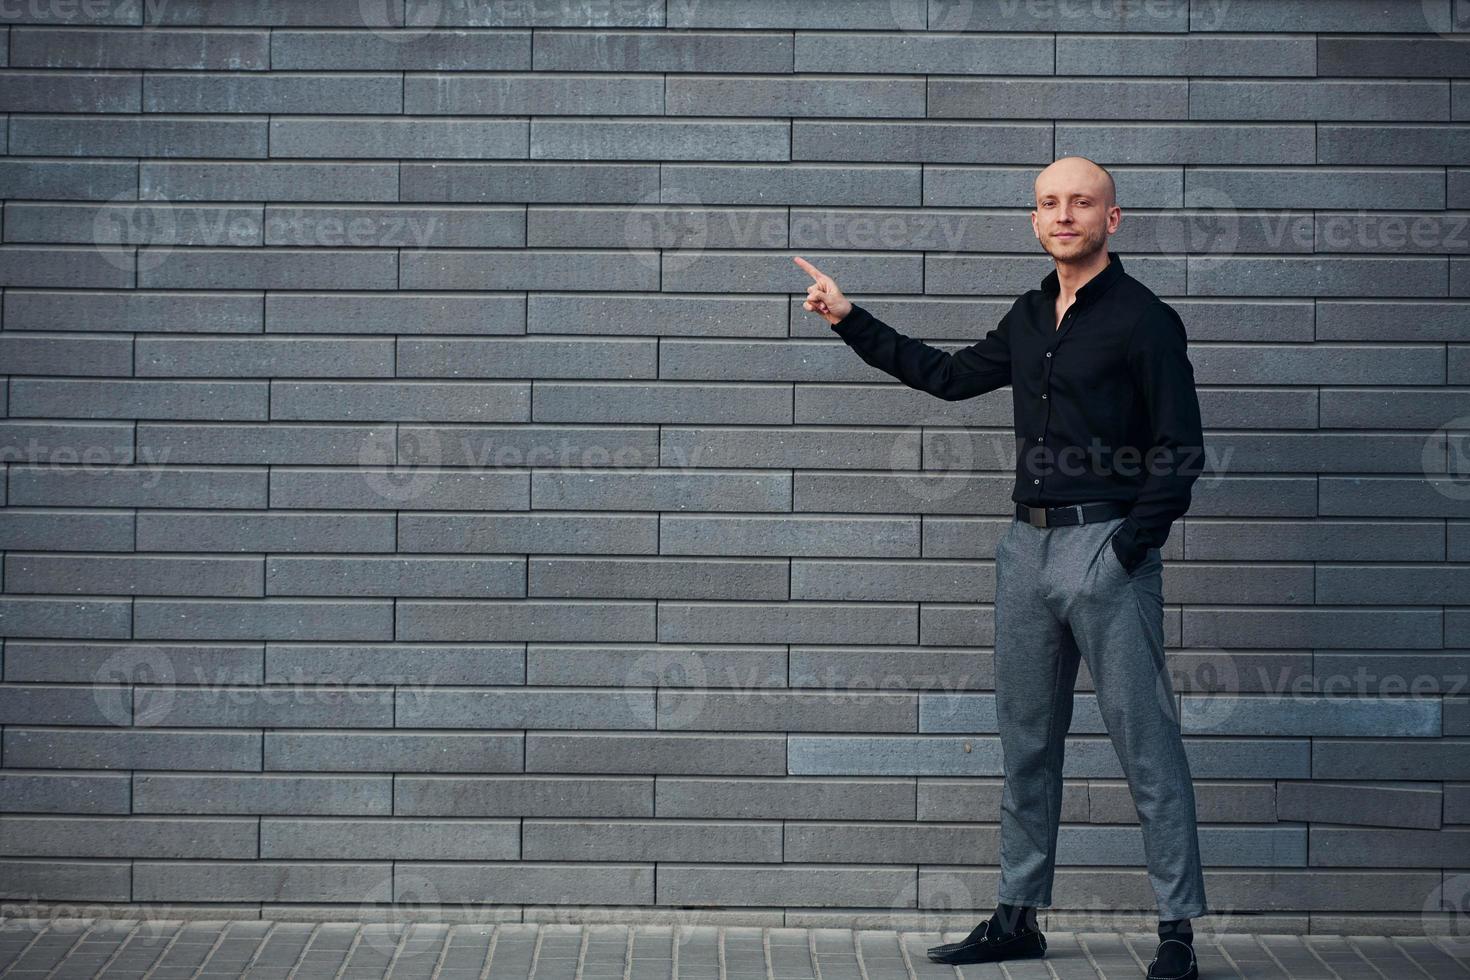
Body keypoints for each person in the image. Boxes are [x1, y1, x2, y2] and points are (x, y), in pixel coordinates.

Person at [794, 156, 1208, 980]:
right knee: (1026, 743)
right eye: (1050, 203)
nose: (1065, 215)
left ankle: (1176, 932)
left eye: (1081, 203)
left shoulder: (1145, 320)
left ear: (1111, 219)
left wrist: (1128, 548)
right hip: (1025, 549)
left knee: (1146, 745)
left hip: (1104, 547)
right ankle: (1017, 917)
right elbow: (948, 378)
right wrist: (849, 317)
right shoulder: (1028, 315)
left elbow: (1181, 449)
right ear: (1035, 219)